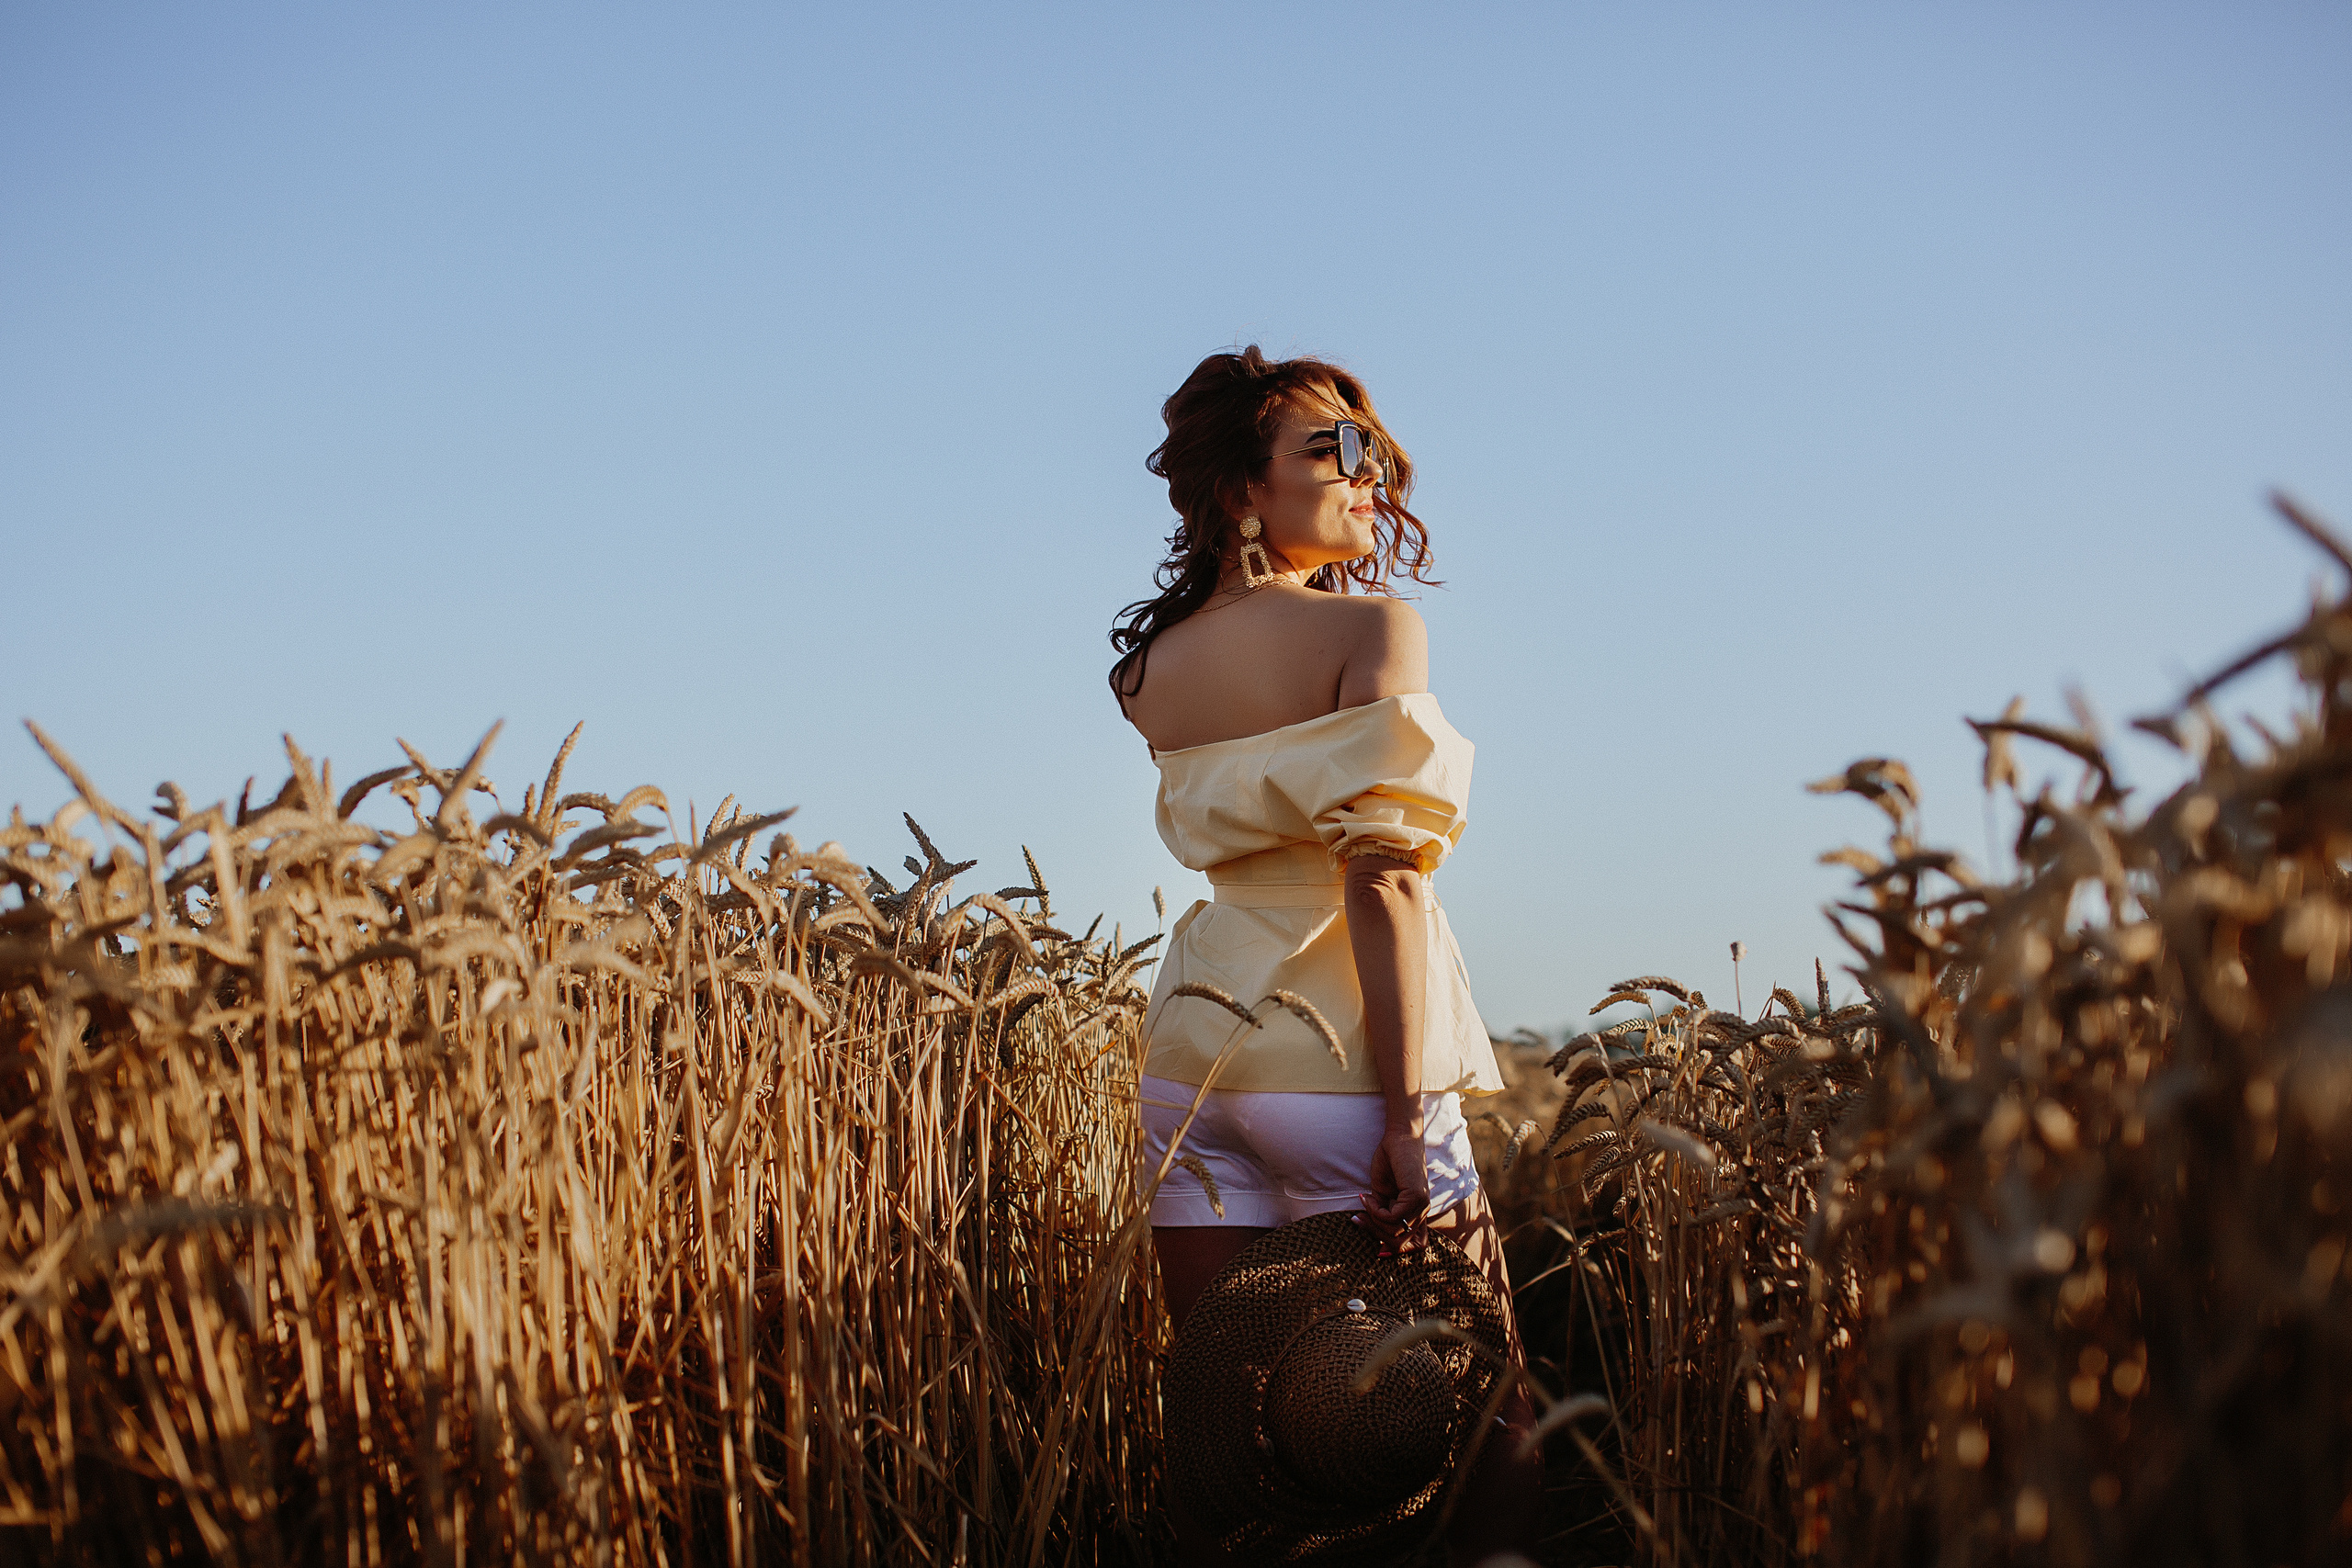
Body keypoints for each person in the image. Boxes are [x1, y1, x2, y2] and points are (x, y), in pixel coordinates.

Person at [1109, 346, 1542, 1562]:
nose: (1367, 473)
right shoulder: (1371, 628)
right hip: (1342, 1062)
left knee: (1237, 1422)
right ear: (1244, 492)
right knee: (1490, 1415)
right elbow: (1387, 880)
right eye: (1332, 449)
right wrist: (1408, 1115)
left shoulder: (1150, 673)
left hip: (1191, 1068)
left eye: (1372, 451)